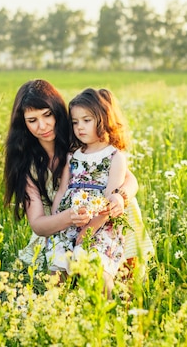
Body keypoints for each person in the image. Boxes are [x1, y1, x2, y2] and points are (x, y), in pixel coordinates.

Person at [3, 80, 139, 268]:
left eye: (47, 115)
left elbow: (128, 177)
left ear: (57, 111)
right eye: (32, 121)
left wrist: (120, 196)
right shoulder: (28, 165)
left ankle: (124, 264)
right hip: (59, 227)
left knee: (124, 200)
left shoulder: (80, 140)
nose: (42, 126)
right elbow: (38, 225)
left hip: (102, 220)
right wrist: (70, 217)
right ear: (23, 124)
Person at [46, 88, 140, 296]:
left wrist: (91, 227)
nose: (80, 127)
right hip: (70, 222)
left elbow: (110, 197)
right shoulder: (72, 156)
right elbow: (63, 191)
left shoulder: (115, 156)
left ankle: (105, 310)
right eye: (75, 122)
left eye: (86, 120)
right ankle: (58, 311)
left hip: (100, 225)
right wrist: (55, 221)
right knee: (57, 268)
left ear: (103, 119)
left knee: (97, 269)